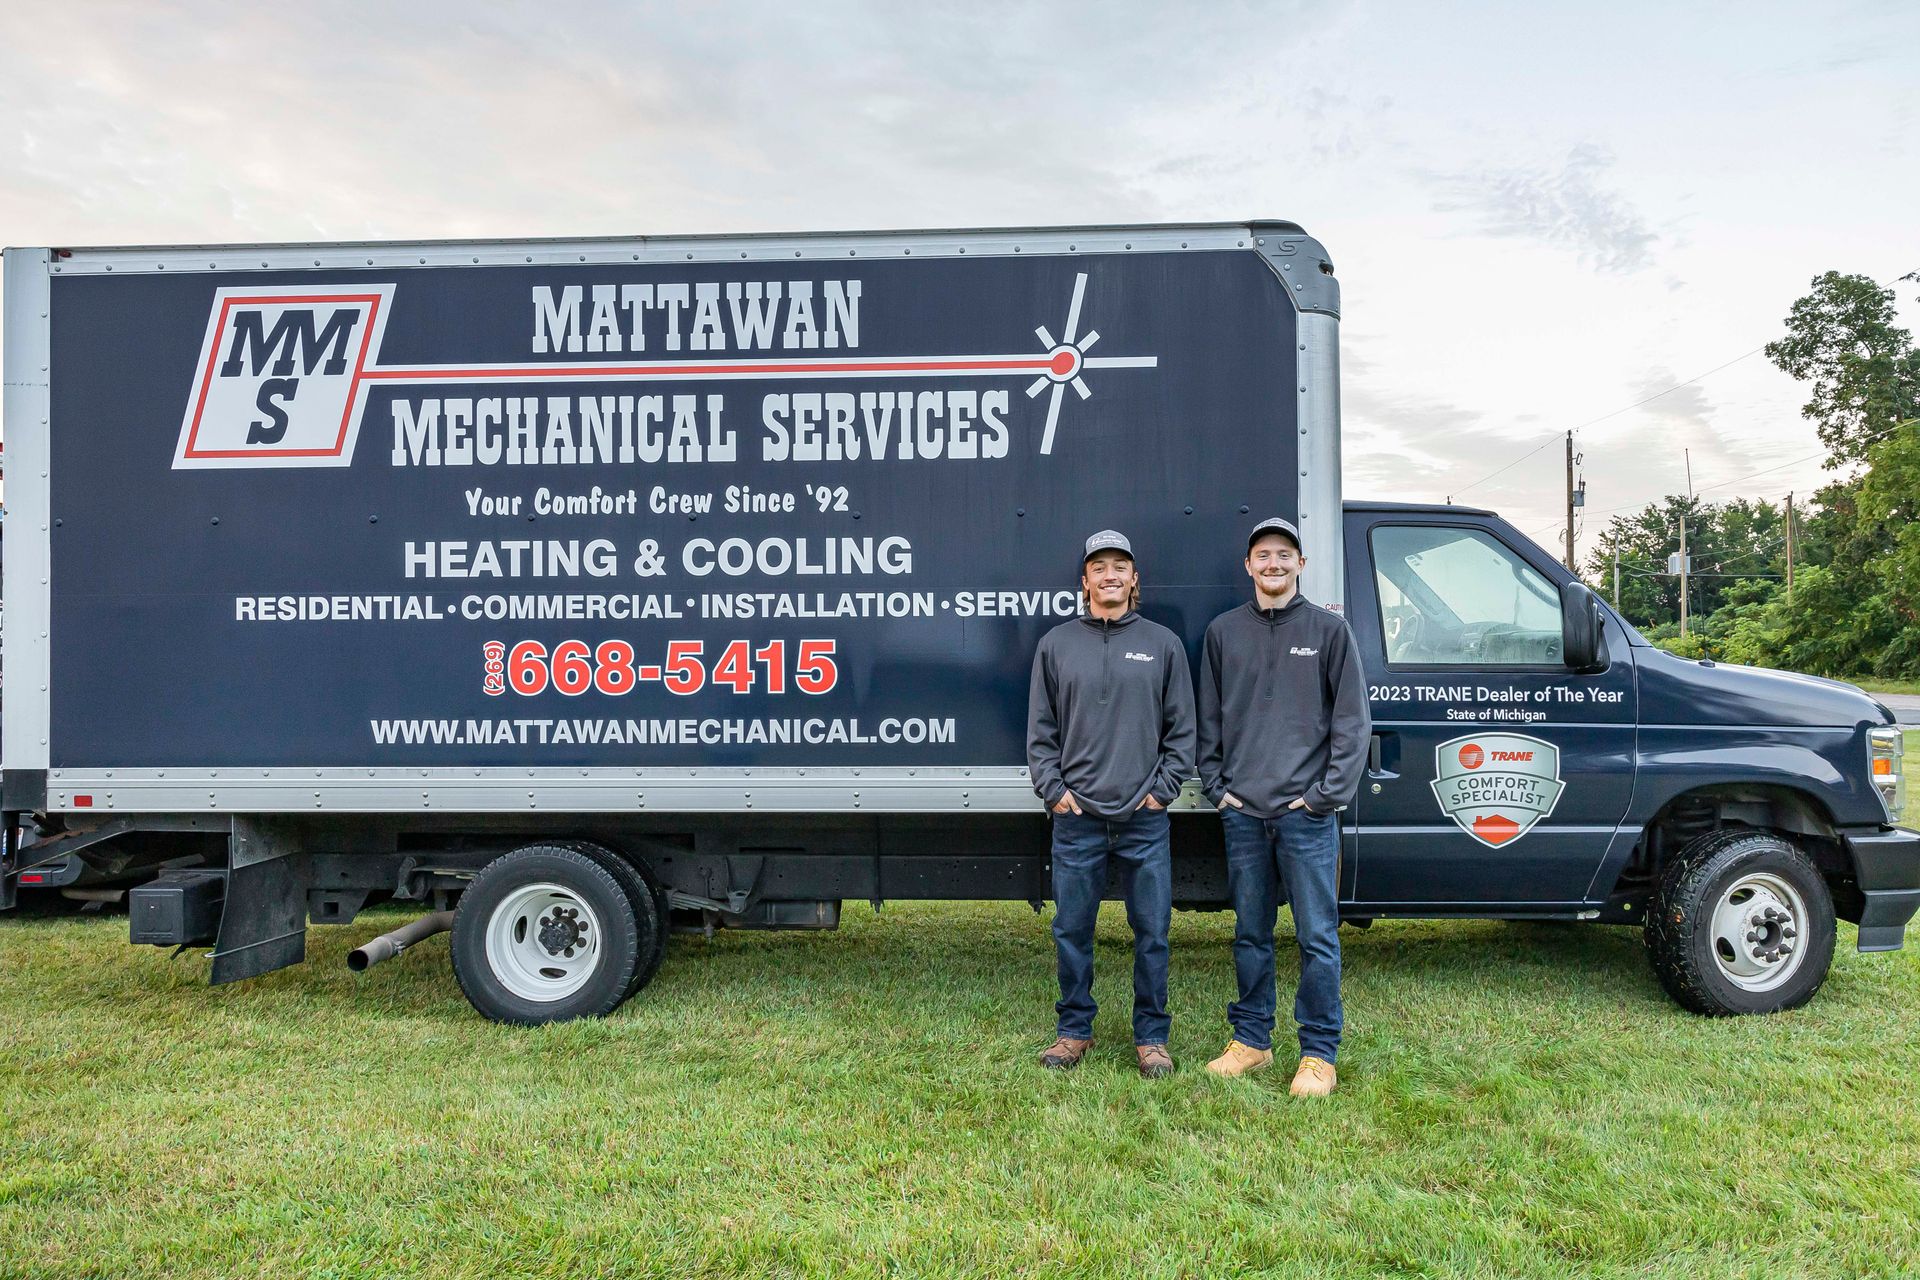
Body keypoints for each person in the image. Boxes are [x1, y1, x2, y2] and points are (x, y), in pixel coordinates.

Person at [1198, 517, 1369, 1096]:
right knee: (1251, 932)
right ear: (1248, 566)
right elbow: (1208, 720)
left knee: (1317, 935)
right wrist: (1218, 787)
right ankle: (1251, 1041)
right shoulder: (1223, 633)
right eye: (1263, 555)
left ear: (1301, 564)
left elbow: (1352, 726)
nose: (1273, 564)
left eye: (1284, 555)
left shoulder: (1329, 631)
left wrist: (1321, 798)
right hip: (1243, 812)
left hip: (1306, 816)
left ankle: (1319, 1053)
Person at [1027, 530, 1196, 1078]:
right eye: (1099, 567)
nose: (1110, 576)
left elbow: (1183, 733)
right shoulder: (1056, 644)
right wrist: (1055, 793)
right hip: (1077, 820)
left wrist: (1159, 792)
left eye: (1119, 566)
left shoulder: (1163, 644)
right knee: (1072, 930)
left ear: (1134, 579)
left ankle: (1151, 1038)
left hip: (1143, 820)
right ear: (1085, 581)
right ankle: (1074, 1030)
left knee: (1152, 933)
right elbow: (1041, 731)